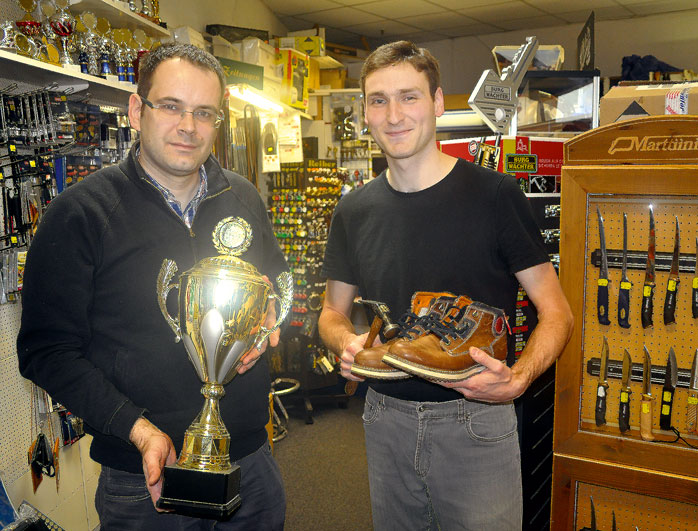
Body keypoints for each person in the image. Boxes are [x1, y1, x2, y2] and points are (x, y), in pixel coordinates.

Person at [17, 43, 287, 530]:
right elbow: (46, 351)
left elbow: (274, 288)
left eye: (204, 112)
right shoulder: (79, 214)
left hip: (249, 462)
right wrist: (137, 430)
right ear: (137, 110)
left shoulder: (243, 197)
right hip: (142, 479)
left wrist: (266, 325)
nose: (189, 126)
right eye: (172, 106)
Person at [318, 41, 574, 529]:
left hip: (474, 420)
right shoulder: (353, 211)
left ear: (437, 103)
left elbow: (557, 313)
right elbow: (331, 312)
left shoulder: (496, 197)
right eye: (378, 100)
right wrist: (345, 344)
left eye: (409, 97)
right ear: (365, 113)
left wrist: (518, 379)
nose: (393, 114)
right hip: (385, 419)